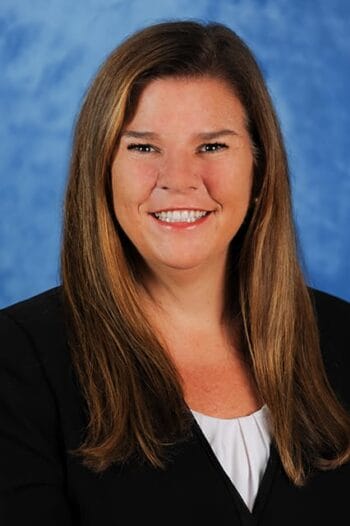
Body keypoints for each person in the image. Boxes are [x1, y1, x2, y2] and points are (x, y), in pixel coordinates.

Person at [0, 20, 349, 526]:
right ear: (102, 170)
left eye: (212, 147)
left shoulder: (344, 340)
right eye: (143, 147)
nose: (179, 181)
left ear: (259, 168)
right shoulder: (17, 363)